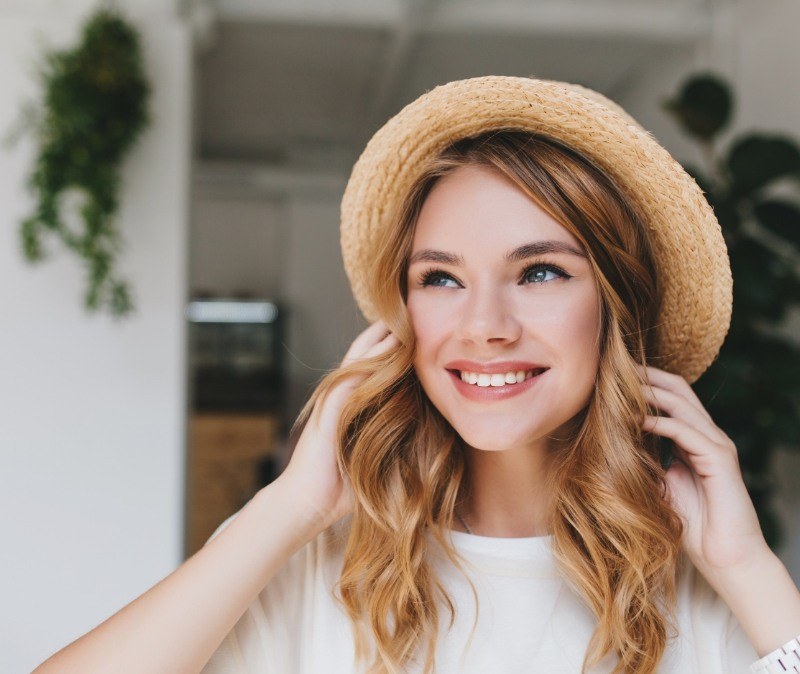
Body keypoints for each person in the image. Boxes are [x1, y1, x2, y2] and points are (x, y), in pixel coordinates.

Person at [32, 77, 800, 674]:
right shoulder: (319, 569)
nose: (484, 325)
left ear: (615, 309)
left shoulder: (709, 593)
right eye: (440, 279)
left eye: (538, 272)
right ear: (402, 321)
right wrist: (287, 508)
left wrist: (748, 567)